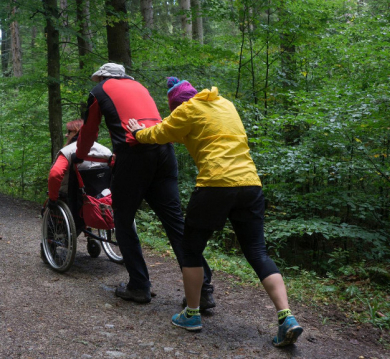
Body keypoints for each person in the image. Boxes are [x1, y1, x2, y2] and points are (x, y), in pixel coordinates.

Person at [127, 77, 303, 347]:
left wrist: (138, 132)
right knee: (257, 252)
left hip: (215, 185)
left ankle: (192, 315)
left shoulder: (186, 110)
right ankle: (287, 318)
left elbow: (160, 134)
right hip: (250, 184)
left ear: (176, 105)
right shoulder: (226, 105)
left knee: (191, 251)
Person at [75, 63, 215, 306]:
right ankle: (202, 290)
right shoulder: (139, 86)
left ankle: (139, 286)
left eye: (98, 79)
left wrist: (80, 155)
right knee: (174, 221)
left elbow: (89, 131)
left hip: (134, 153)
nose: (97, 82)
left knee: (123, 219)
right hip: (163, 149)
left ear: (102, 77)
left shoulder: (98, 92)